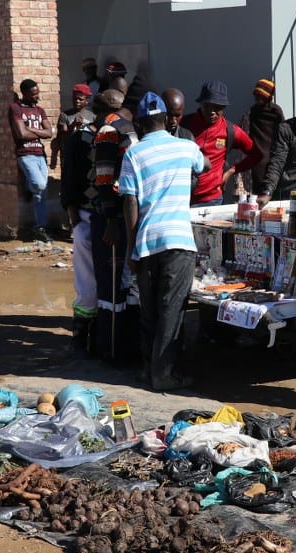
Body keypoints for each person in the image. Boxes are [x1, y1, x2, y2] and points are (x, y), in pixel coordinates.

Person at [119, 92, 208, 391]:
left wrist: (131, 249)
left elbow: (130, 203)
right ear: (166, 120)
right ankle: (164, 375)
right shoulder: (186, 147)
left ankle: (148, 370)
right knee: (172, 309)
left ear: (139, 125)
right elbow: (205, 165)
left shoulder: (133, 154)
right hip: (178, 241)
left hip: (146, 242)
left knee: (150, 310)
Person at [89, 88, 140, 363]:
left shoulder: (115, 130)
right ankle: (115, 349)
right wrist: (112, 218)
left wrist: (112, 218)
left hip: (119, 217)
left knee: (118, 285)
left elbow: (107, 177)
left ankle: (117, 348)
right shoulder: (118, 129)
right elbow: (107, 177)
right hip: (119, 217)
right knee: (116, 285)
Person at [181, 80, 261, 207]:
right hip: (182, 198)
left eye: (217, 107)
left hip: (212, 200)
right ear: (201, 104)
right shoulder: (184, 125)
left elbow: (256, 155)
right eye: (207, 105)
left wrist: (231, 171)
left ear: (224, 107)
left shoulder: (230, 130)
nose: (212, 111)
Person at [59, 110, 99, 353]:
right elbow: (69, 179)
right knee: (86, 282)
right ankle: (81, 335)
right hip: (87, 218)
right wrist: (74, 217)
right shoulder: (80, 139)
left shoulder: (128, 135)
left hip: (118, 222)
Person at [8, 78, 54, 243]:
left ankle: (40, 228)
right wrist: (38, 131)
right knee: (39, 185)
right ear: (25, 93)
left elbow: (49, 133)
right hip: (25, 154)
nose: (37, 97)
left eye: (38, 93)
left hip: (40, 154)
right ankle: (29, 185)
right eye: (34, 94)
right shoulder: (15, 108)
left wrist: (30, 129)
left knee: (42, 194)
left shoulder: (39, 110)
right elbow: (21, 134)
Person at [239, 77, 284, 196]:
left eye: (262, 97)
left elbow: (283, 132)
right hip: (257, 157)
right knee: (257, 189)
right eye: (256, 96)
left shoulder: (276, 112)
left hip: (272, 156)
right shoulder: (251, 112)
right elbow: (244, 130)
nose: (258, 100)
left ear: (269, 97)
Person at [51, 83, 93, 170]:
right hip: (70, 155)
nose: (77, 101)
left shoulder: (92, 116)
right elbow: (62, 138)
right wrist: (73, 125)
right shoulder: (65, 115)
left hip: (87, 155)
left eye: (80, 99)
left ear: (87, 100)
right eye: (75, 98)